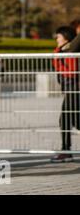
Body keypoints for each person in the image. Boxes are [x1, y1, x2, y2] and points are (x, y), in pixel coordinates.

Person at [51, 26, 79, 163]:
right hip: (70, 89)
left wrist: (56, 61)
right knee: (74, 121)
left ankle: (66, 151)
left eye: (58, 36)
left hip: (75, 89)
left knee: (66, 119)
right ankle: (66, 150)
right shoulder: (63, 50)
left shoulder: (70, 51)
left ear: (66, 37)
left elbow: (72, 72)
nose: (56, 38)